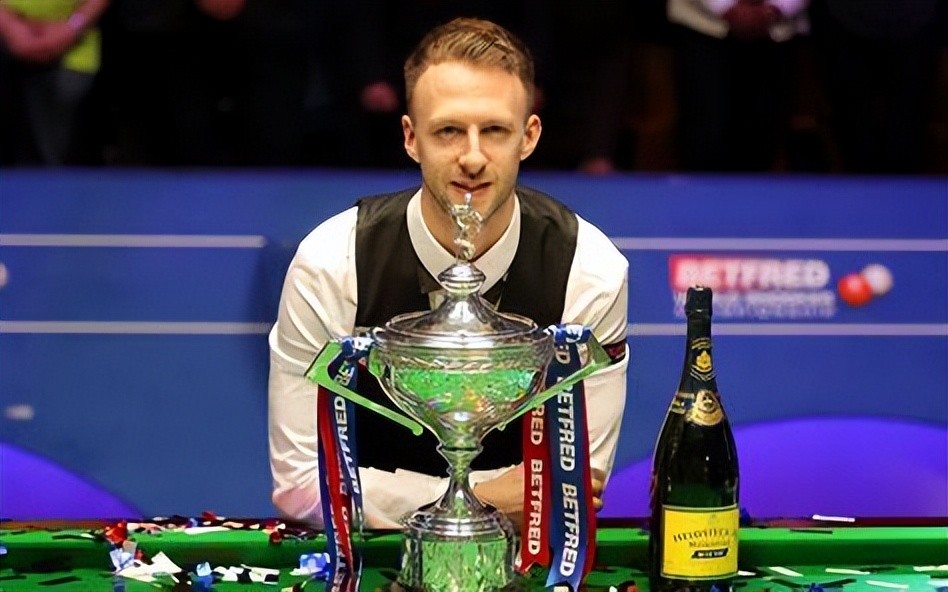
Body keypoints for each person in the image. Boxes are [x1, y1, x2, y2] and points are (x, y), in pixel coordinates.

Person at [268, 17, 629, 529]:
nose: (473, 157)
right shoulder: (330, 263)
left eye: (495, 131)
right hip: (375, 560)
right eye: (449, 131)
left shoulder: (590, 270)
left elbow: (572, 485)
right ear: (412, 138)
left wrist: (392, 494)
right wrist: (479, 496)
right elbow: (301, 482)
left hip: (518, 562)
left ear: (528, 136)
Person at [666, 0, 810, 171]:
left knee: (764, 142)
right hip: (701, 26)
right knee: (705, 140)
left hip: (779, 34)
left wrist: (777, 7)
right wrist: (723, 6)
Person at [0, 0, 109, 165]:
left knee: (59, 151)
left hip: (76, 45)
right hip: (5, 38)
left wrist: (72, 27)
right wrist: (8, 24)